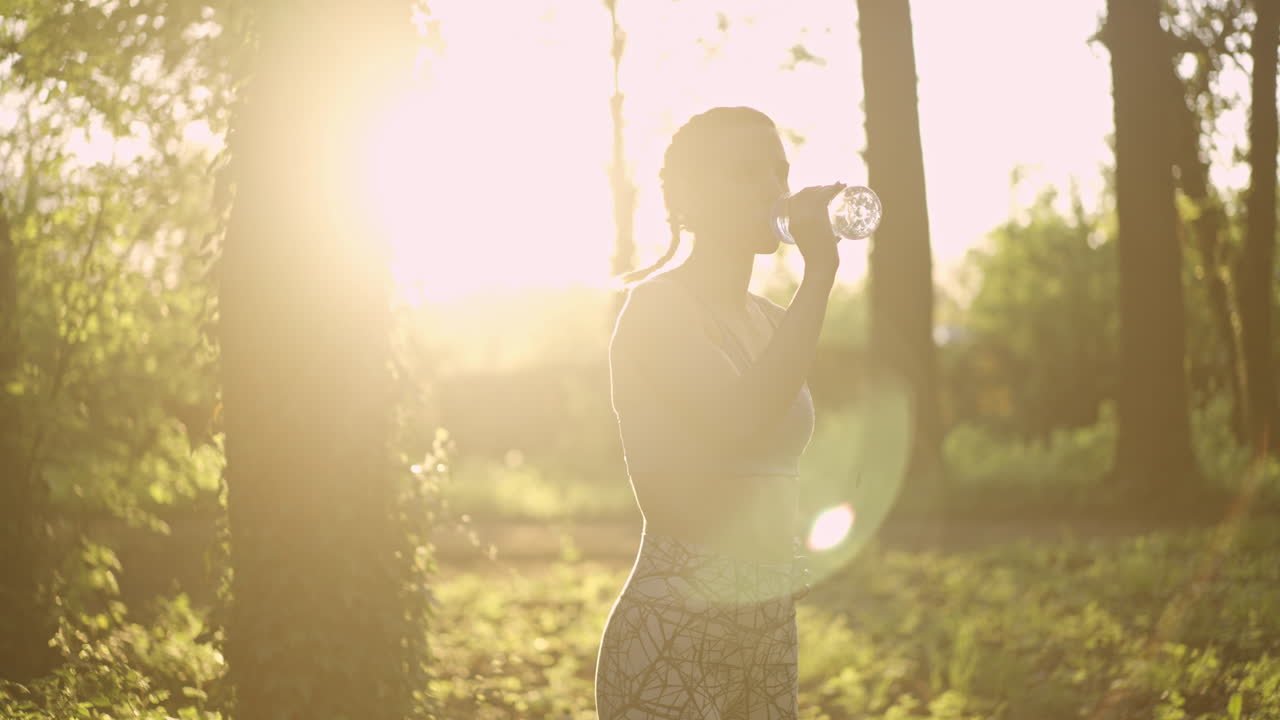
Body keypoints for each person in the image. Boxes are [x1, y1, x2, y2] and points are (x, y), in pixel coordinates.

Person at [594, 105, 846, 720]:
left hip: (766, 631)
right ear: (690, 200)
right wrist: (821, 274)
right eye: (747, 172)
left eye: (780, 172)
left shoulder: (768, 320)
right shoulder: (656, 310)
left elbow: (765, 461)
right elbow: (743, 421)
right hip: (672, 633)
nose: (774, 191)